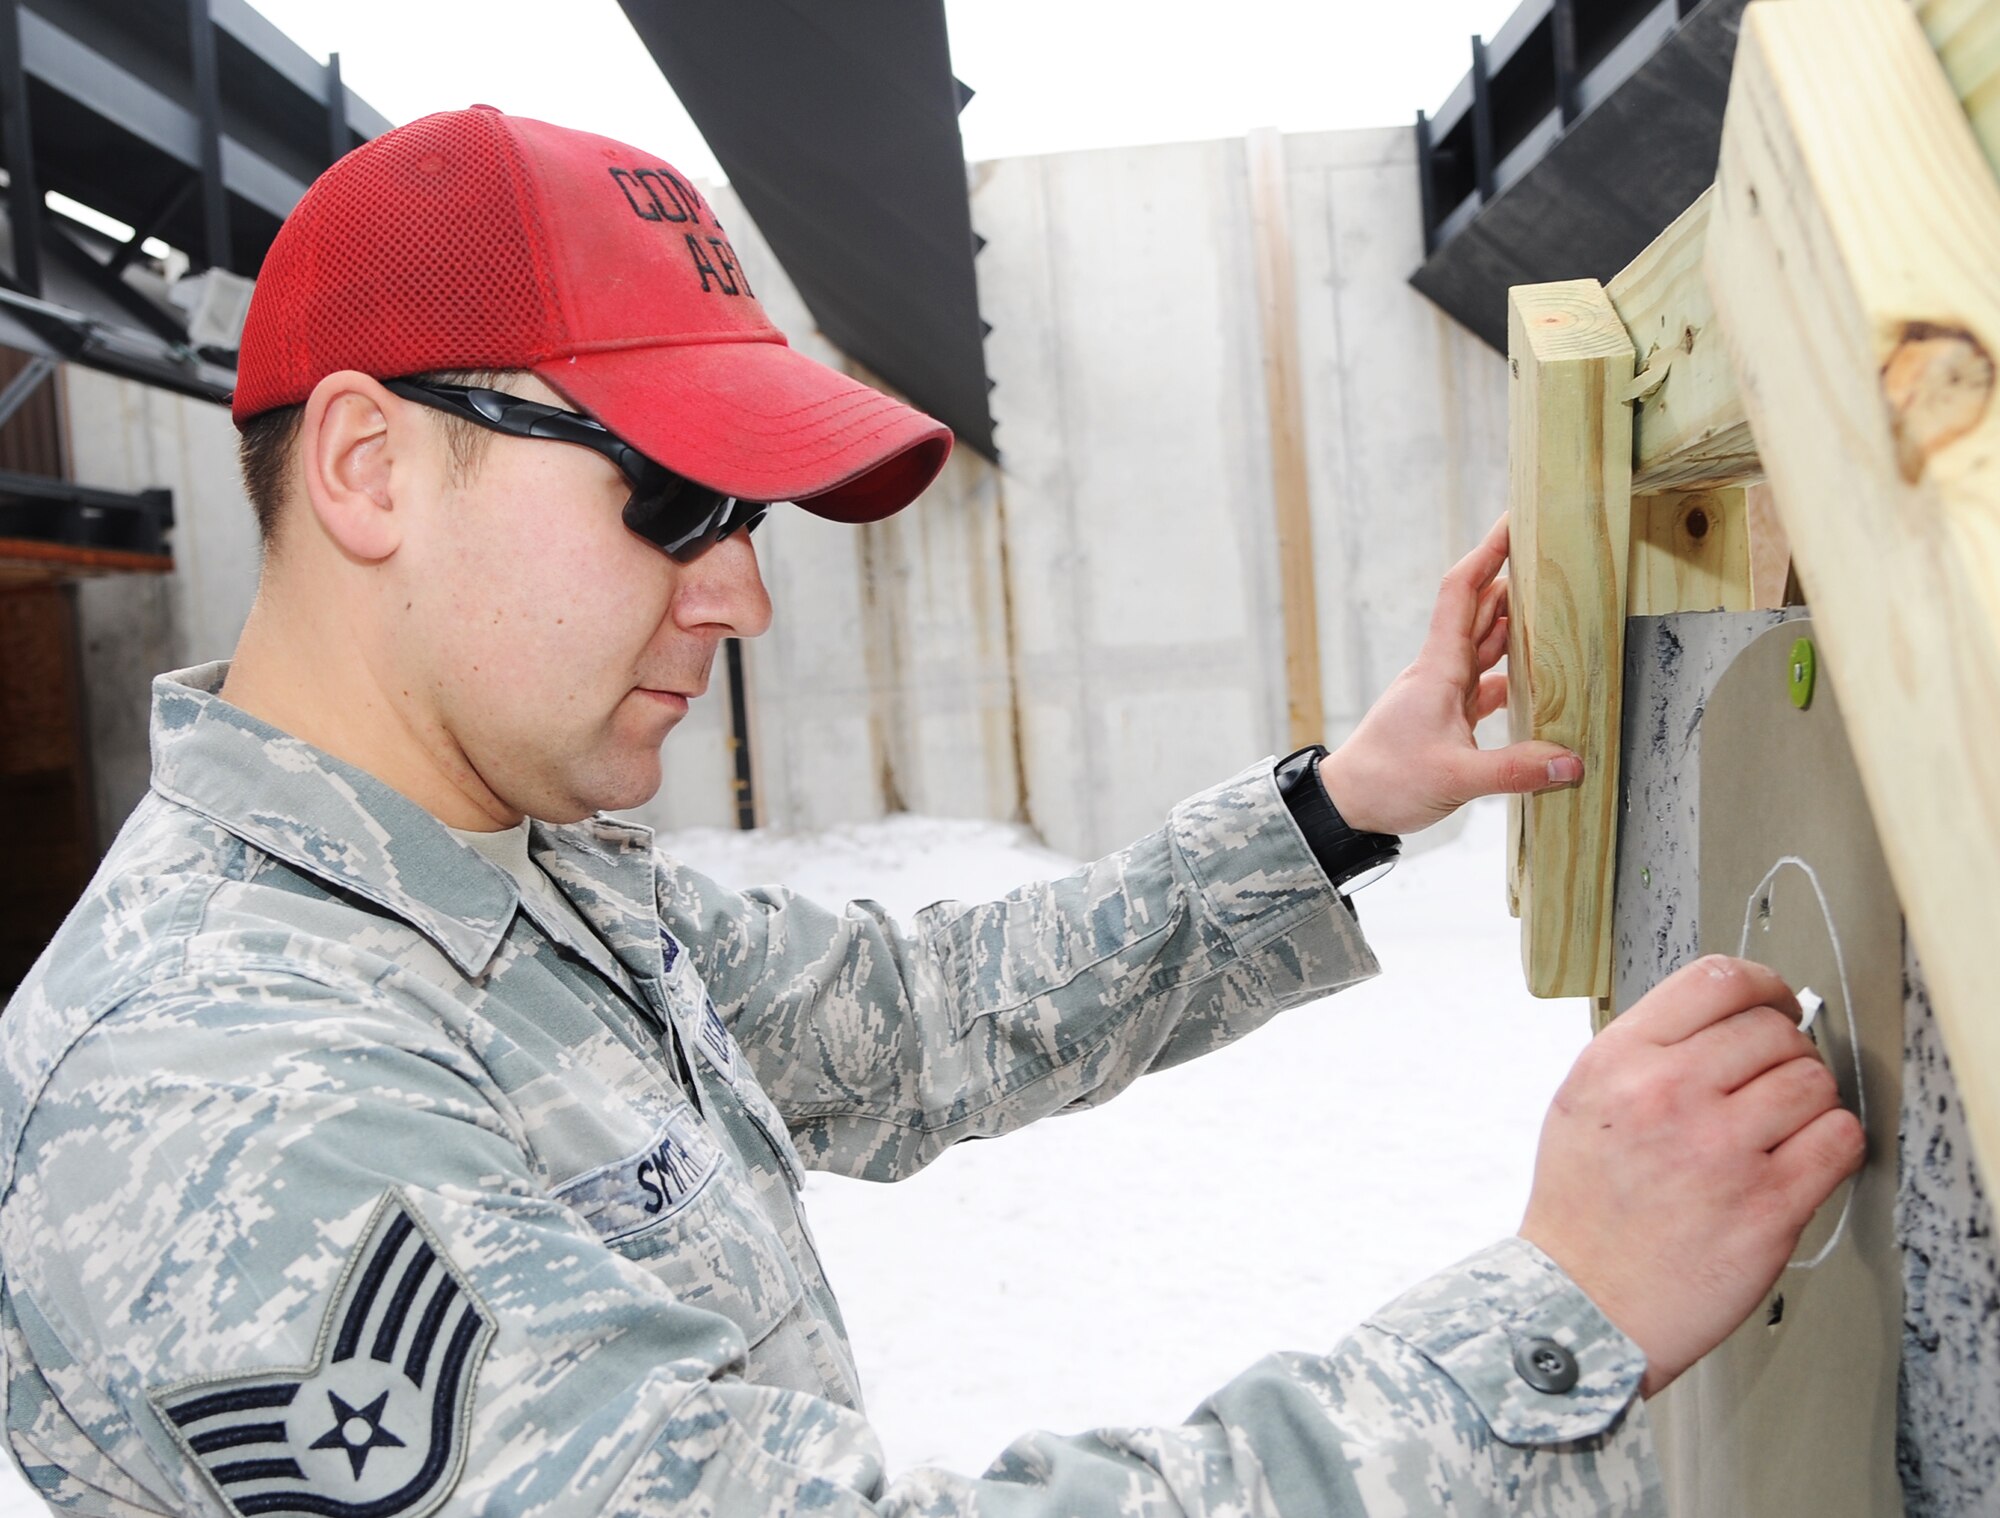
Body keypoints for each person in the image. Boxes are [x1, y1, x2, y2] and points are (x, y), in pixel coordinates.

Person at [0, 107, 1861, 1518]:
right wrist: (1554, 1310)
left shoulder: (496, 877)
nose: (739, 597)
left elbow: (923, 1018)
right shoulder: (224, 1084)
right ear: (366, 463)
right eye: (671, 500)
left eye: (748, 521)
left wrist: (1337, 810)